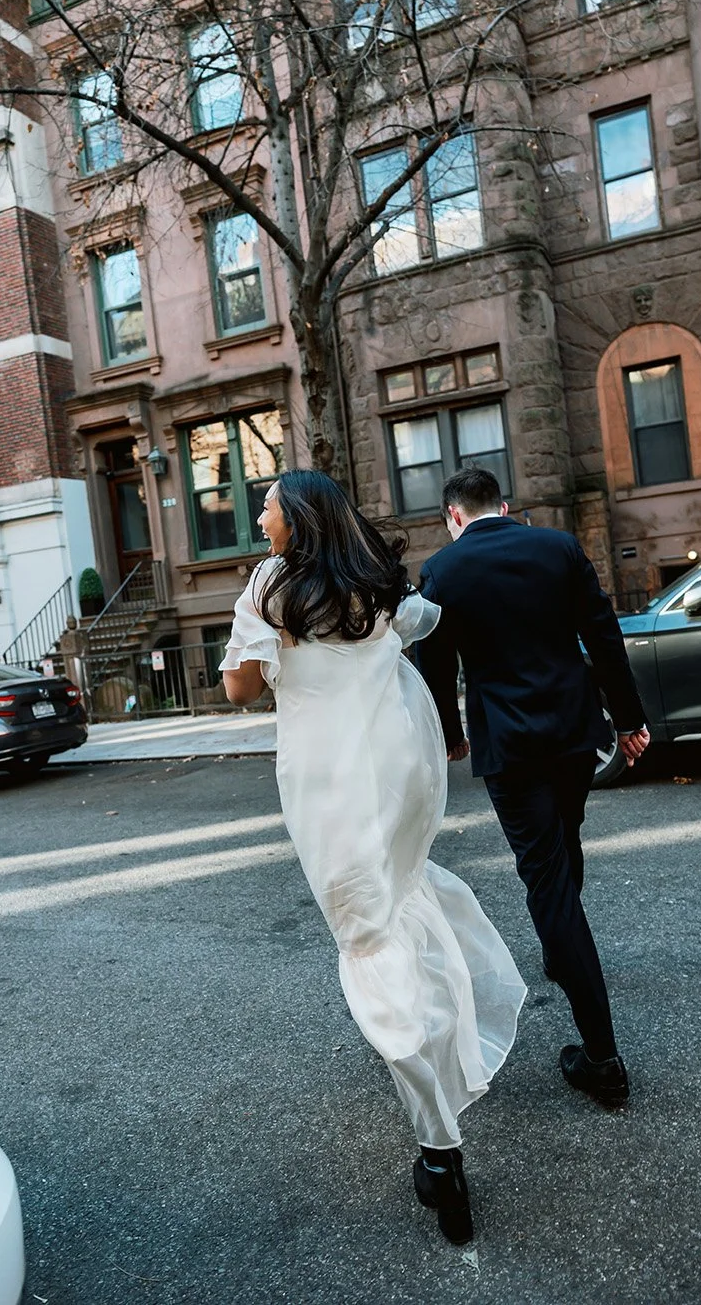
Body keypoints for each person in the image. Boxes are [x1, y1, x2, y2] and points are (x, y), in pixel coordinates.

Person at [219, 470, 527, 1245]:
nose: (258, 517)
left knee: (368, 937)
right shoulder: (377, 586)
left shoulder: (271, 585)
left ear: (297, 517)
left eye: (267, 506)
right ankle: (441, 1029)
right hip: (400, 771)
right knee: (399, 902)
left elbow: (237, 690)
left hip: (331, 785)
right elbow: (427, 620)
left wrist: (263, 636)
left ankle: (439, 1146)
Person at [415, 468, 650, 1108]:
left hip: (511, 746)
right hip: (576, 735)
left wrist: (450, 732)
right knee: (563, 842)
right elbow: (603, 637)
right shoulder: (559, 547)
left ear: (453, 517)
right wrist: (630, 720)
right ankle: (562, 949)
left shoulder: (443, 570)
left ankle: (602, 1058)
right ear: (506, 507)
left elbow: (432, 663)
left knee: (547, 878)